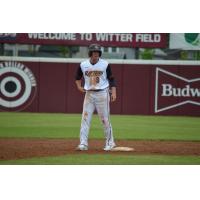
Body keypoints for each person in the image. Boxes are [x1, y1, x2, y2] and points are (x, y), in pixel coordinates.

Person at [75, 44, 117, 151]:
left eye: (97, 53)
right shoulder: (83, 64)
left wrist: (114, 92)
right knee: (85, 119)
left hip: (102, 94)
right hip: (89, 94)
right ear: (90, 53)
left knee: (105, 119)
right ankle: (83, 144)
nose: (96, 54)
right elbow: (77, 77)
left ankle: (110, 143)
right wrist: (79, 87)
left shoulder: (105, 64)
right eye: (94, 53)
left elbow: (111, 79)